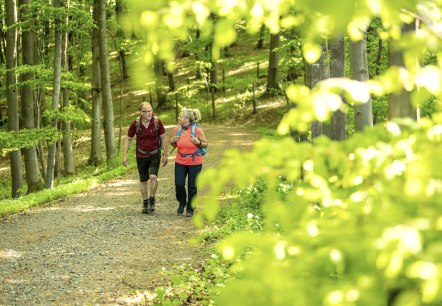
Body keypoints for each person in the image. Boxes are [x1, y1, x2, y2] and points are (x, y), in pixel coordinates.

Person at [123, 102, 168, 214]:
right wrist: (125, 155)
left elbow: (163, 138)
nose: (149, 113)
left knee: (153, 177)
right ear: (141, 112)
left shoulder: (157, 122)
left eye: (150, 110)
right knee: (143, 180)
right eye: (146, 111)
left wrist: (165, 154)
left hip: (154, 154)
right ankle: (145, 202)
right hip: (141, 155)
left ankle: (152, 199)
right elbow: (128, 139)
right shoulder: (136, 123)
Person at [169, 108, 208, 217]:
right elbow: (175, 145)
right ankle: (182, 202)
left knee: (192, 186)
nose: (178, 118)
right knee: (179, 184)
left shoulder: (197, 130)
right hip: (180, 160)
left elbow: (205, 144)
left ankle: (190, 208)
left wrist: (198, 142)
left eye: (180, 116)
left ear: (186, 119)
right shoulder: (177, 129)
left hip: (195, 162)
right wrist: (172, 141)